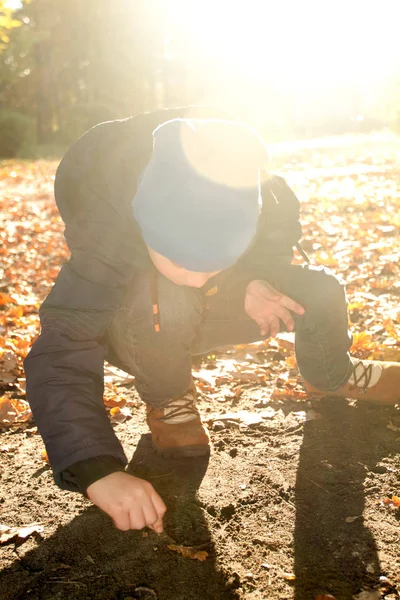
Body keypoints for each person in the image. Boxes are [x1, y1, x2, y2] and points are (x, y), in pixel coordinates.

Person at [24, 106, 400, 535]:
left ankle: (332, 373)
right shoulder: (105, 225)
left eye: (215, 264)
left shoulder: (254, 183)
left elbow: (275, 241)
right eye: (184, 262)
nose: (200, 279)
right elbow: (62, 345)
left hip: (209, 302)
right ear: (147, 229)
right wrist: (95, 470)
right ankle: (169, 400)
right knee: (170, 295)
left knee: (319, 289)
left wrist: (250, 277)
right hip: (136, 323)